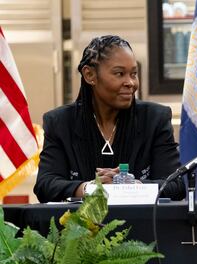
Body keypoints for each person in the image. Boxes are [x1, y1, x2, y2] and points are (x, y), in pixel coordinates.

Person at [34, 35, 185, 202]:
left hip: (141, 224)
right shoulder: (60, 122)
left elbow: (175, 186)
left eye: (133, 74)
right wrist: (91, 188)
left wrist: (131, 187)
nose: (130, 82)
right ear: (89, 75)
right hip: (81, 226)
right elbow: (45, 185)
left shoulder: (155, 119)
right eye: (119, 73)